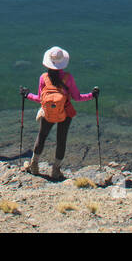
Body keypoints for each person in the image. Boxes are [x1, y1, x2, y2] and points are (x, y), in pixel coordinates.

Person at [20, 46, 97, 179]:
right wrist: (92, 95)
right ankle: (56, 170)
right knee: (61, 140)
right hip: (65, 112)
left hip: (48, 112)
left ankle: (34, 165)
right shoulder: (68, 78)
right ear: (63, 63)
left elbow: (40, 99)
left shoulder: (43, 78)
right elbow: (77, 97)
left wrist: (27, 95)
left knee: (42, 136)